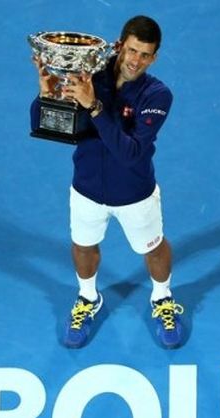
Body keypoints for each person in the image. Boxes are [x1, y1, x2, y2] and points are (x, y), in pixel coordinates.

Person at [30, 15, 184, 349]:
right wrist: (48, 97)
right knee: (83, 245)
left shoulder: (157, 95)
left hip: (135, 193)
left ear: (154, 58)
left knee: (153, 248)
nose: (135, 61)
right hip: (86, 187)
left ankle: (162, 298)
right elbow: (52, 130)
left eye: (145, 55)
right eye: (131, 50)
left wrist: (95, 108)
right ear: (118, 45)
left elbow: (130, 154)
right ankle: (88, 297)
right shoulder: (89, 75)